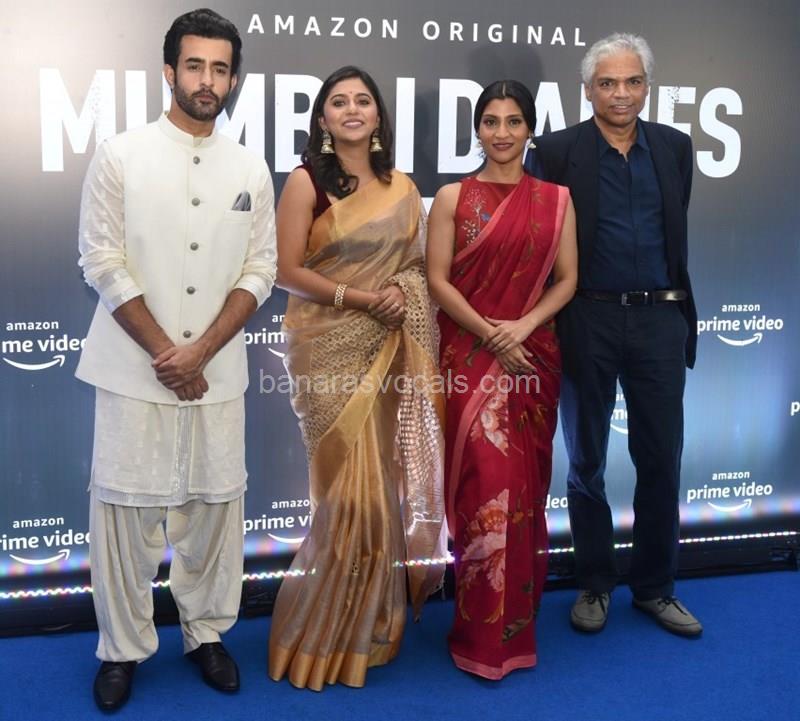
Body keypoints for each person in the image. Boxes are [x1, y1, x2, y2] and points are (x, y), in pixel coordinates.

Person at [75, 9, 277, 710]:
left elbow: (260, 269)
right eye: (195, 66)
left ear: (233, 79)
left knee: (215, 514)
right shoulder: (120, 154)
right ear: (170, 71)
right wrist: (168, 353)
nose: (207, 80)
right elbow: (100, 259)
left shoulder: (249, 166)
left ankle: (207, 634)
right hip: (134, 371)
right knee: (124, 520)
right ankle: (121, 648)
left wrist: (202, 351)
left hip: (216, 374)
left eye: (220, 68)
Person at [267, 66, 446, 691]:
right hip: (326, 351)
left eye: (362, 100)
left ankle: (370, 628)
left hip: (386, 347)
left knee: (381, 489)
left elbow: (419, 267)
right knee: (343, 493)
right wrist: (362, 298)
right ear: (322, 118)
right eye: (338, 102)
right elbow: (286, 270)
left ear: (377, 116)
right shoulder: (305, 182)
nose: (351, 110)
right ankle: (322, 635)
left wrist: (399, 290)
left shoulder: (403, 187)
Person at [526, 32, 701, 637]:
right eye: (607, 83)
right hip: (586, 319)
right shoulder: (554, 152)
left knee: (661, 459)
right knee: (586, 460)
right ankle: (594, 583)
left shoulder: (675, 148)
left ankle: (655, 587)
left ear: (647, 87)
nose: (620, 94)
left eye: (632, 82)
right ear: (587, 90)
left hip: (660, 320)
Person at [427, 80, 577, 679]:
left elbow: (567, 280)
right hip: (470, 354)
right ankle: (476, 630)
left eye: (514, 121)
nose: (502, 133)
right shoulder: (452, 198)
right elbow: (438, 280)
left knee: (525, 490)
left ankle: (516, 623)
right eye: (491, 121)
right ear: (477, 129)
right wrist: (493, 335)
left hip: (532, 355)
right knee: (483, 489)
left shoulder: (557, 199)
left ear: (530, 129)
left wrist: (523, 326)